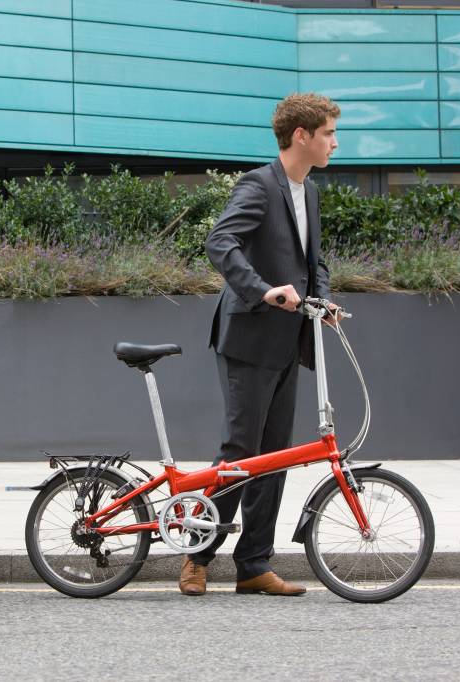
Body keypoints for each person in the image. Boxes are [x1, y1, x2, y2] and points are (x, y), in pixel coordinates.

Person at [179, 93, 342, 597]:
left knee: (275, 456)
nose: (335, 143)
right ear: (302, 136)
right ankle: (197, 555)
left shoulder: (308, 191)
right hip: (250, 336)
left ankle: (252, 564)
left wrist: (324, 300)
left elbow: (314, 261)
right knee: (240, 452)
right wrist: (262, 290)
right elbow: (220, 243)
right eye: (329, 134)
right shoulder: (259, 185)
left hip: (288, 340)